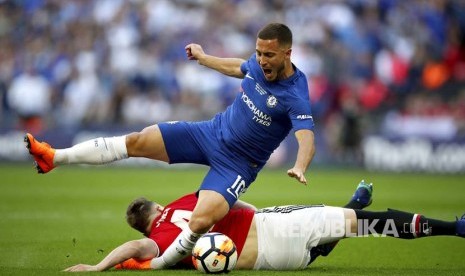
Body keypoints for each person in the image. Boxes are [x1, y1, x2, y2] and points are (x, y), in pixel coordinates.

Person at [25, 23, 316, 268]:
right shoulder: (259, 64)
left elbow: (306, 136)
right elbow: (240, 67)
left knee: (202, 219)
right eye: (259, 53)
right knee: (138, 140)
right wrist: (204, 58)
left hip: (238, 163)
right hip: (211, 133)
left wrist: (300, 166)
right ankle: (54, 157)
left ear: (287, 54)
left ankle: (156, 264)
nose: (262, 60)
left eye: (269, 55)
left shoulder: (295, 95)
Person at [64, 181, 465, 272]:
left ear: (143, 227)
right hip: (272, 225)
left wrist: (98, 267)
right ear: (157, 205)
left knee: (320, 245)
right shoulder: (191, 199)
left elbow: (134, 252)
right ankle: (455, 228)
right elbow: (241, 201)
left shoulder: (157, 243)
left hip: (274, 261)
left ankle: (351, 208)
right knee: (368, 225)